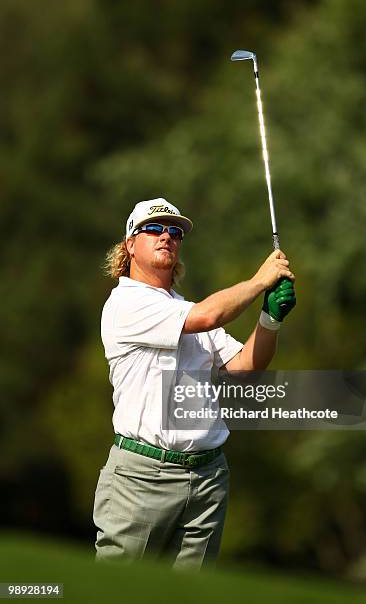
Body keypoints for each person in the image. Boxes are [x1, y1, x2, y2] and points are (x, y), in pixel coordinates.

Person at [93, 196, 296, 570]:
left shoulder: (184, 309)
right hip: (142, 477)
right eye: (153, 229)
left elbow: (245, 369)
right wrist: (259, 281)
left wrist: (270, 319)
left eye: (174, 232)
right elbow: (208, 315)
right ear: (130, 245)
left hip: (207, 477)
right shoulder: (125, 304)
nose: (166, 236)